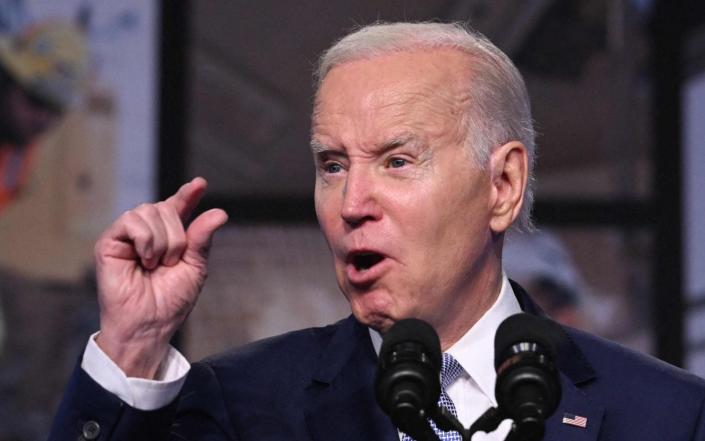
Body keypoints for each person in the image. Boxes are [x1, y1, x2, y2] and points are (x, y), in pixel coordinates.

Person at [49, 22, 705, 441]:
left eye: (396, 160)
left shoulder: (664, 416)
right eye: (331, 165)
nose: (351, 202)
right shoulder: (239, 407)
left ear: (501, 185)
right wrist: (130, 349)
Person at [0, 20, 87, 213]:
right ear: (6, 83)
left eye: (56, 108)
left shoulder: (20, 152)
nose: (43, 118)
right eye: (36, 99)